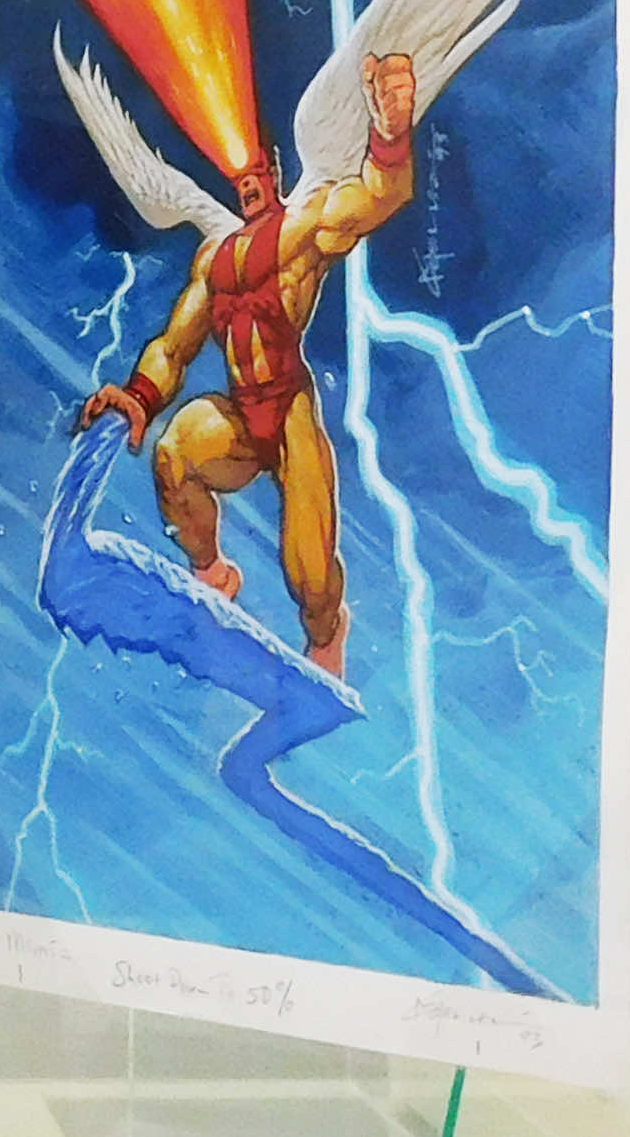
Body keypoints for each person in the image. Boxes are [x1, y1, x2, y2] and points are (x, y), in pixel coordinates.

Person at [77, 51, 417, 680]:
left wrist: (391, 138)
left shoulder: (304, 228)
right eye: (241, 174)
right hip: (239, 414)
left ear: (276, 172)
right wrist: (139, 397)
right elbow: (174, 347)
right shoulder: (215, 261)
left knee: (311, 577)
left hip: (288, 413)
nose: (249, 181)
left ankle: (327, 635)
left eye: (258, 169)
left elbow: (378, 197)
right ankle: (212, 573)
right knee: (173, 456)